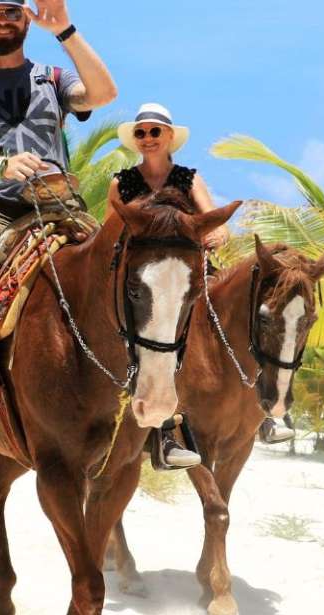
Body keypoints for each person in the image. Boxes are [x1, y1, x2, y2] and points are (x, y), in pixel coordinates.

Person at [0, 0, 117, 483]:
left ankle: (164, 421)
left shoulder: (54, 79)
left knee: (126, 280)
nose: (2, 21)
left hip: (59, 205)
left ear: (25, 21)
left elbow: (103, 93)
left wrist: (66, 31)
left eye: (12, 13)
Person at [107, 104, 230, 467]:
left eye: (155, 132)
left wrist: (218, 233)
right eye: (141, 133)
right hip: (139, 277)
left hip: (181, 271)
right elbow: (108, 235)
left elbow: (213, 220)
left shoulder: (188, 180)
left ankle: (260, 407)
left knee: (230, 319)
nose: (147, 139)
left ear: (170, 137)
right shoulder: (122, 182)